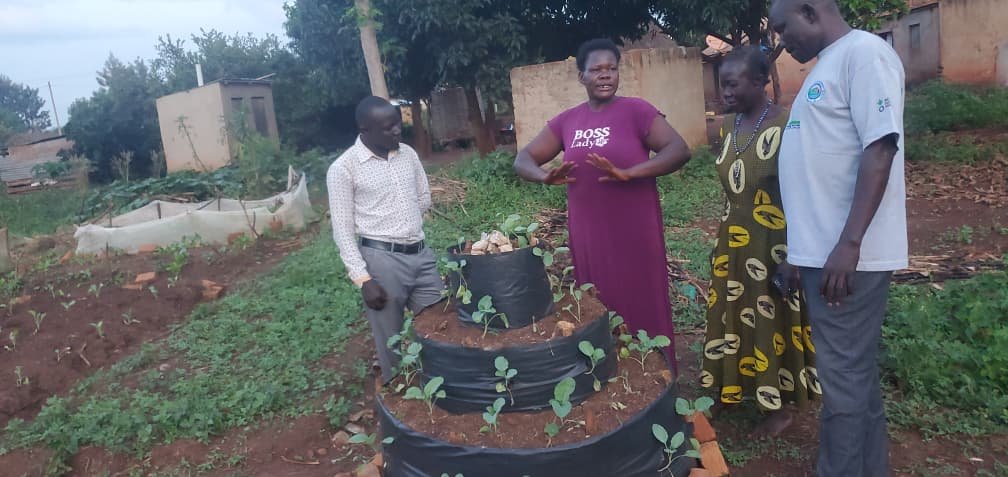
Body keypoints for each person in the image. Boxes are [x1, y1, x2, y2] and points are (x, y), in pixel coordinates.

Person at [769, 0, 907, 475]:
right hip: (822, 255)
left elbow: (880, 147)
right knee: (856, 381)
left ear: (810, 11)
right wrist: (798, 253)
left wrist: (849, 245)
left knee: (843, 385)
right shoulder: (827, 64)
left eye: (783, 29)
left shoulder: (863, 54)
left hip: (846, 261)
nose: (782, 42)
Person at [513, 38, 691, 357]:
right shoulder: (567, 121)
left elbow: (679, 150)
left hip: (636, 229)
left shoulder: (637, 111)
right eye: (596, 69)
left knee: (643, 296)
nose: (605, 75)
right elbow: (523, 158)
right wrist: (543, 175)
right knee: (598, 299)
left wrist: (631, 172)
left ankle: (656, 372)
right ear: (581, 76)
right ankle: (610, 373)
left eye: (611, 68)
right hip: (589, 233)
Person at [701, 46, 818, 437]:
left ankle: (780, 407)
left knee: (772, 318)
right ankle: (729, 389)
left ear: (759, 81)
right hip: (732, 241)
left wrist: (796, 258)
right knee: (730, 314)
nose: (725, 92)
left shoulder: (789, 125)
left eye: (733, 84)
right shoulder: (726, 126)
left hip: (774, 244)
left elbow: (804, 192)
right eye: (722, 85)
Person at [327, 96, 444, 385]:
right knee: (390, 338)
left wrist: (408, 223)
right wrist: (363, 278)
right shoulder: (344, 169)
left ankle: (441, 383)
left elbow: (423, 197)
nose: (396, 131)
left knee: (440, 324)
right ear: (364, 130)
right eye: (388, 127)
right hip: (382, 261)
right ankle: (399, 393)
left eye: (397, 123)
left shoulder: (408, 155)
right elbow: (342, 229)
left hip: (421, 255)